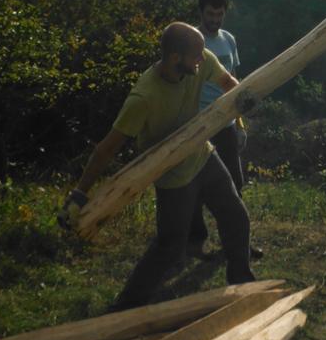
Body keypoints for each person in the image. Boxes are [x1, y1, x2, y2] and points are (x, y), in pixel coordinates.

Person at [58, 22, 255, 310]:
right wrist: (80, 193)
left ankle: (243, 286)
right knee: (170, 245)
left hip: (203, 155)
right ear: (175, 58)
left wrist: (241, 101)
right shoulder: (144, 97)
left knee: (236, 217)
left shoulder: (202, 60)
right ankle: (125, 307)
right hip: (172, 174)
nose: (202, 60)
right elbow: (106, 149)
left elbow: (228, 83)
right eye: (196, 56)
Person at [189, 0, 262, 257]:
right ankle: (195, 243)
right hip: (197, 124)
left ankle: (237, 243)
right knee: (195, 186)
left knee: (234, 185)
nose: (215, 20)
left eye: (219, 14)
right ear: (201, 12)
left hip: (226, 124)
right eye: (210, 14)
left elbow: (234, 85)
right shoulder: (191, 40)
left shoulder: (228, 40)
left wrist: (239, 125)